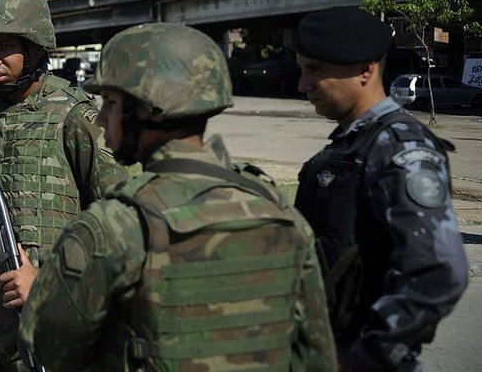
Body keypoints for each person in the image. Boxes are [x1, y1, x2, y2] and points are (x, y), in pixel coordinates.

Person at [21, 23, 337, 372]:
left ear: (147, 110)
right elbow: (316, 355)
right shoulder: (276, 210)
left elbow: (51, 349)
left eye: (110, 102)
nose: (101, 117)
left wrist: (40, 290)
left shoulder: (113, 226)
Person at [0, 0, 129, 371]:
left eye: (5, 47)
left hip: (53, 315)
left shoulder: (76, 117)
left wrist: (49, 283)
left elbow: (121, 225)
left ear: (36, 48)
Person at [293, 6, 468, 371]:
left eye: (316, 71)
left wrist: (370, 356)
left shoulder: (399, 147)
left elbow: (439, 271)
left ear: (365, 69)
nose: (303, 85)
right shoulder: (353, 143)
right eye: (302, 70)